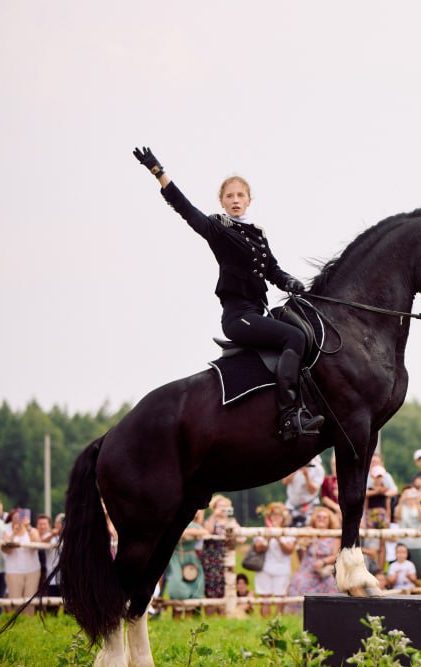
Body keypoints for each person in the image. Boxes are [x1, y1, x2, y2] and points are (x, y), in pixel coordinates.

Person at [133, 147, 323, 440]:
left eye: (240, 196)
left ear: (249, 200)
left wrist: (290, 282)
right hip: (239, 317)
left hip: (257, 311)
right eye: (229, 196)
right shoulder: (219, 229)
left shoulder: (258, 235)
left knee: (303, 329)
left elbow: (272, 270)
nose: (235, 200)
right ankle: (288, 417)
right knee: (294, 336)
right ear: (222, 201)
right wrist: (159, 174)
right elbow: (187, 210)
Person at [253, 503, 297, 618]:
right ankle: (264, 622)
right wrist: (269, 534)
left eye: (279, 515)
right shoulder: (262, 531)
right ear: (269, 516)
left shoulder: (290, 531)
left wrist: (278, 536)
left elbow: (288, 550)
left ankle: (278, 622)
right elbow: (259, 548)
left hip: (282, 569)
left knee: (280, 597)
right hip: (264, 568)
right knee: (265, 597)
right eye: (273, 514)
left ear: (284, 517)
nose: (276, 517)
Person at [288, 506, 341, 601]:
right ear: (314, 519)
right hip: (307, 569)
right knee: (300, 583)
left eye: (325, 518)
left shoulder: (334, 537)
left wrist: (323, 562)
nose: (321, 519)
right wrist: (305, 536)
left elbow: (335, 556)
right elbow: (299, 550)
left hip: (325, 571)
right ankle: (298, 614)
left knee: (332, 586)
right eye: (319, 517)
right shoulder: (308, 533)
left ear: (329, 521)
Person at [165, 511, 208, 618]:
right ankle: (176, 617)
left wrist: (187, 531)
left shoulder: (195, 526)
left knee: (194, 583)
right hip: (176, 558)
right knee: (176, 584)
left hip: (191, 557)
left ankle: (188, 619)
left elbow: (205, 532)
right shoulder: (172, 523)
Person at [201, 495, 238, 610]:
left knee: (227, 586)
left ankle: (224, 613)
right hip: (212, 560)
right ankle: (210, 614)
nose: (222, 509)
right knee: (211, 588)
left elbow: (240, 537)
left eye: (225, 506)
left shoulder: (231, 521)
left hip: (227, 559)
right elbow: (208, 531)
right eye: (220, 506)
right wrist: (214, 515)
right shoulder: (211, 520)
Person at [2, 509, 41, 616]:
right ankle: (15, 621)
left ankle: (28, 623)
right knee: (15, 599)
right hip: (13, 570)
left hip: (32, 570)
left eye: (20, 518)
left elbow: (37, 544)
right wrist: (14, 534)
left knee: (30, 599)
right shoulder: (7, 531)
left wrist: (28, 528)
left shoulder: (32, 531)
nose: (18, 520)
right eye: (15, 518)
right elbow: (5, 549)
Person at [283, 456, 324, 527]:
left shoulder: (318, 469)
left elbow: (313, 491)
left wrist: (306, 475)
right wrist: (295, 469)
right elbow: (284, 482)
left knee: (308, 531)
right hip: (292, 505)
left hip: (309, 507)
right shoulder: (292, 464)